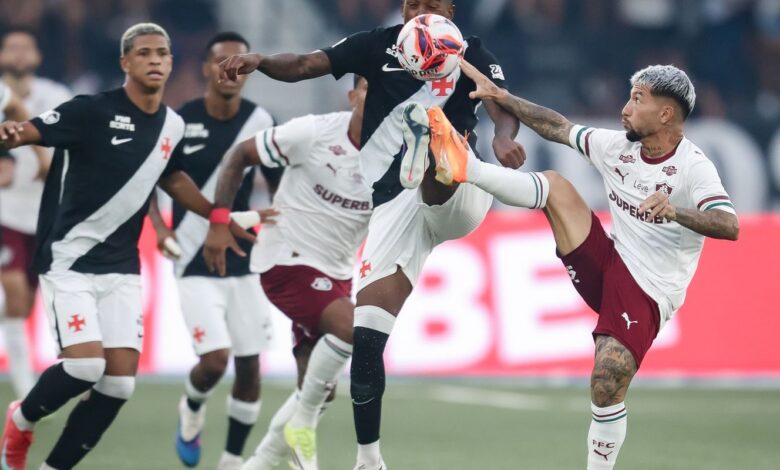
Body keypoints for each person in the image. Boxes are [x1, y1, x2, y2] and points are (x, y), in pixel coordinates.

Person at [209, 1, 525, 468]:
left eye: (431, 4)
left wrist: (502, 137)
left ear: (450, 9)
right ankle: (368, 459)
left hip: (459, 190)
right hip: (393, 206)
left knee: (448, 162)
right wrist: (261, 62)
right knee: (367, 333)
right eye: (413, 4)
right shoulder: (376, 47)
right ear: (402, 8)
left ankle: (435, 144)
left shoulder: (472, 52)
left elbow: (499, 104)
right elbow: (305, 64)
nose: (421, 11)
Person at [455, 60, 739, 469]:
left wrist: (677, 212)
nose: (625, 108)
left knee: (607, 377)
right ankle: (470, 170)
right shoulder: (617, 146)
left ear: (665, 114)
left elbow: (729, 225)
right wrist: (503, 98)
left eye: (637, 99)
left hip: (647, 290)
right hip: (606, 260)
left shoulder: (694, 168)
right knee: (555, 185)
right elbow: (557, 126)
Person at [0, 23, 252, 470]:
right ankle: (21, 418)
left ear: (172, 63)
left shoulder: (173, 124)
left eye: (163, 53)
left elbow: (171, 177)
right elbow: (33, 130)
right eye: (145, 53)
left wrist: (219, 214)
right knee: (84, 368)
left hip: (122, 267)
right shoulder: (90, 111)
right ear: (125, 62)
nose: (155, 61)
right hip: (70, 259)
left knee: (118, 386)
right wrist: (13, 134)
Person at [217, 75, 371, 470]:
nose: (379, 99)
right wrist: (221, 219)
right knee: (355, 330)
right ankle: (301, 426)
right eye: (370, 90)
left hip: (337, 272)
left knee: (318, 391)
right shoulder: (314, 132)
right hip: (286, 260)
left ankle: (262, 462)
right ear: (351, 95)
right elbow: (239, 155)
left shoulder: (394, 154)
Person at [147, 31, 278, 470]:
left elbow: (281, 184)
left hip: (244, 255)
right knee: (215, 361)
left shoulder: (262, 121)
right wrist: (160, 227)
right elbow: (146, 177)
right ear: (205, 68)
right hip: (191, 254)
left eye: (239, 61)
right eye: (220, 61)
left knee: (249, 366)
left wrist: (283, 222)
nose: (230, 69)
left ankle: (231, 461)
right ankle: (193, 404)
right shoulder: (179, 121)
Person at [0, 27, 72, 400]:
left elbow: (75, 139)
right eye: (11, 47)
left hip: (46, 213)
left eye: (26, 47)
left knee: (27, 303)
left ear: (38, 57)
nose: (18, 54)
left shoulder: (57, 96)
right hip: (5, 213)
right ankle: (25, 387)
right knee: (14, 295)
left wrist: (45, 158)